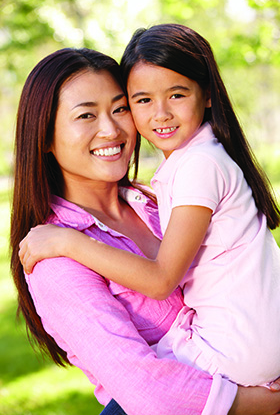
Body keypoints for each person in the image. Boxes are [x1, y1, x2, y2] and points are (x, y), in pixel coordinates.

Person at [14, 46, 280, 415]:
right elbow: (148, 389)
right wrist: (265, 402)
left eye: (120, 108)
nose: (111, 129)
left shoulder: (158, 203)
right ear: (43, 136)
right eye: (86, 115)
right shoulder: (55, 259)